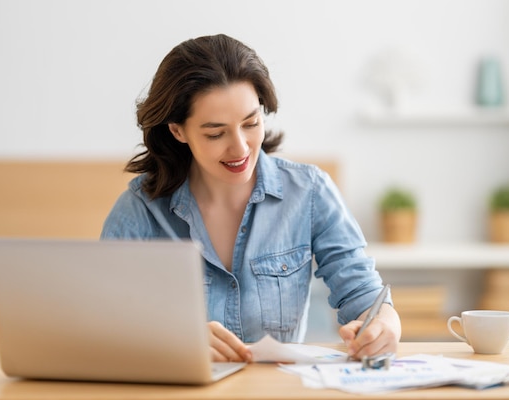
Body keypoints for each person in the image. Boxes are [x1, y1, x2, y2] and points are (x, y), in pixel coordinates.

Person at [101, 34, 401, 363]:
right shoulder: (140, 209)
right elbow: (103, 320)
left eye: (251, 123)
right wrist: (175, 338)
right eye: (215, 133)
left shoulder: (309, 192)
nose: (241, 148)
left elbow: (362, 293)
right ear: (178, 131)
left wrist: (385, 323)